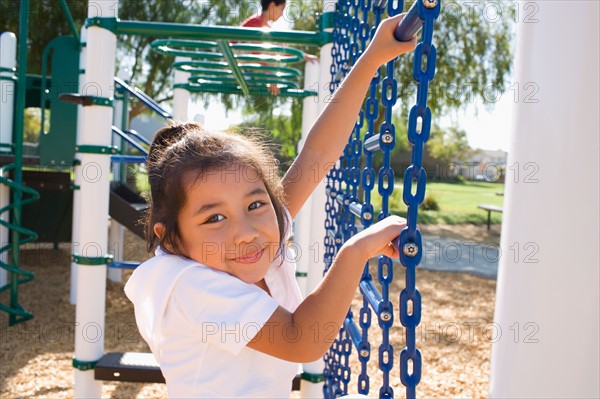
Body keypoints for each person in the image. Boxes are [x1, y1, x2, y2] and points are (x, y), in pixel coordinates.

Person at [125, 13, 416, 398]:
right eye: (214, 217)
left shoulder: (260, 231)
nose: (245, 231)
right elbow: (301, 341)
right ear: (172, 239)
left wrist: (371, 59)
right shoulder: (190, 286)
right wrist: (355, 251)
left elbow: (317, 154)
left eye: (256, 204)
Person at [240, 0, 317, 95]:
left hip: (246, 65)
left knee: (276, 47)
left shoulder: (265, 28)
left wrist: (304, 56)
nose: (281, 15)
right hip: (236, 58)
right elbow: (262, 53)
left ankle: (271, 79)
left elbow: (269, 54)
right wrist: (270, 77)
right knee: (275, 48)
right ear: (272, 6)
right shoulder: (255, 23)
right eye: (281, 9)